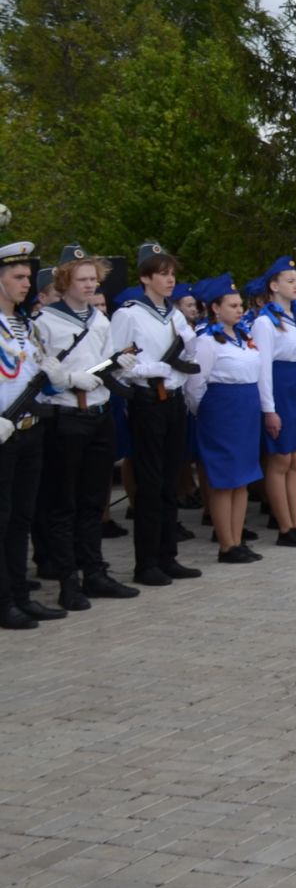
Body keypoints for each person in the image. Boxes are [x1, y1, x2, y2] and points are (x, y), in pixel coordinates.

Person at [31, 249, 139, 603]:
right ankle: (67, 581)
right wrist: (68, 378)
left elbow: (108, 362)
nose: (91, 284)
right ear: (65, 283)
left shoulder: (100, 320)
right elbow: (41, 371)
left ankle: (95, 572)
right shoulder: (45, 321)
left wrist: (119, 364)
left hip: (98, 414)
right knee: (64, 503)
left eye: (94, 279)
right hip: (66, 417)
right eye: (83, 279)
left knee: (94, 501)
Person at [110, 245, 204, 586]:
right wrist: (157, 368)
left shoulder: (175, 315)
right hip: (148, 401)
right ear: (144, 277)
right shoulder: (129, 314)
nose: (169, 279)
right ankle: (146, 563)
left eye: (172, 274)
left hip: (174, 400)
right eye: (162, 273)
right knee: (150, 485)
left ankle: (168, 556)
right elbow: (118, 365)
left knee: (169, 481)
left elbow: (189, 354)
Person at [2, 239, 67, 628]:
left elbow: (39, 376)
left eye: (28, 276)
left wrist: (58, 377)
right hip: (2, 433)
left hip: (29, 428)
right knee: (2, 518)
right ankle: (3, 599)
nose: (27, 283)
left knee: (22, 519)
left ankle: (19, 593)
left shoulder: (25, 324)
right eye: (18, 276)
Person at [183, 276, 265, 565]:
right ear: (215, 308)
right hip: (221, 410)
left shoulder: (244, 338)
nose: (239, 309)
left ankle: (238, 539)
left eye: (241, 304)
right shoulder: (206, 342)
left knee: (242, 479)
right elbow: (195, 384)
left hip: (246, 408)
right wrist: (202, 411)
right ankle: (226, 544)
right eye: (232, 305)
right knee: (224, 479)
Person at [249, 257, 296, 545]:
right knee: (281, 459)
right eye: (289, 281)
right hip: (281, 390)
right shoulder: (266, 322)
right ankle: (285, 527)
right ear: (273, 285)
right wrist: (269, 409)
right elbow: (263, 369)